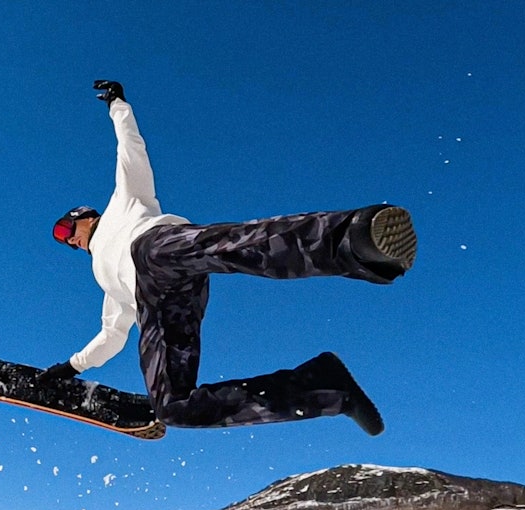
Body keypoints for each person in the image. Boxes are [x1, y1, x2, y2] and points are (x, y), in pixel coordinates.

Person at [39, 80, 418, 436]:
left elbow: (130, 150)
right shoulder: (105, 280)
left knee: (237, 246)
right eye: (63, 241)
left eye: (65, 230)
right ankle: (325, 388)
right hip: (156, 301)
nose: (69, 241)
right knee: (172, 407)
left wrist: (118, 106)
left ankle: (353, 239)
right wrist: (70, 367)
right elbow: (111, 336)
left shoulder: (123, 204)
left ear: (84, 216)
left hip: (155, 247)